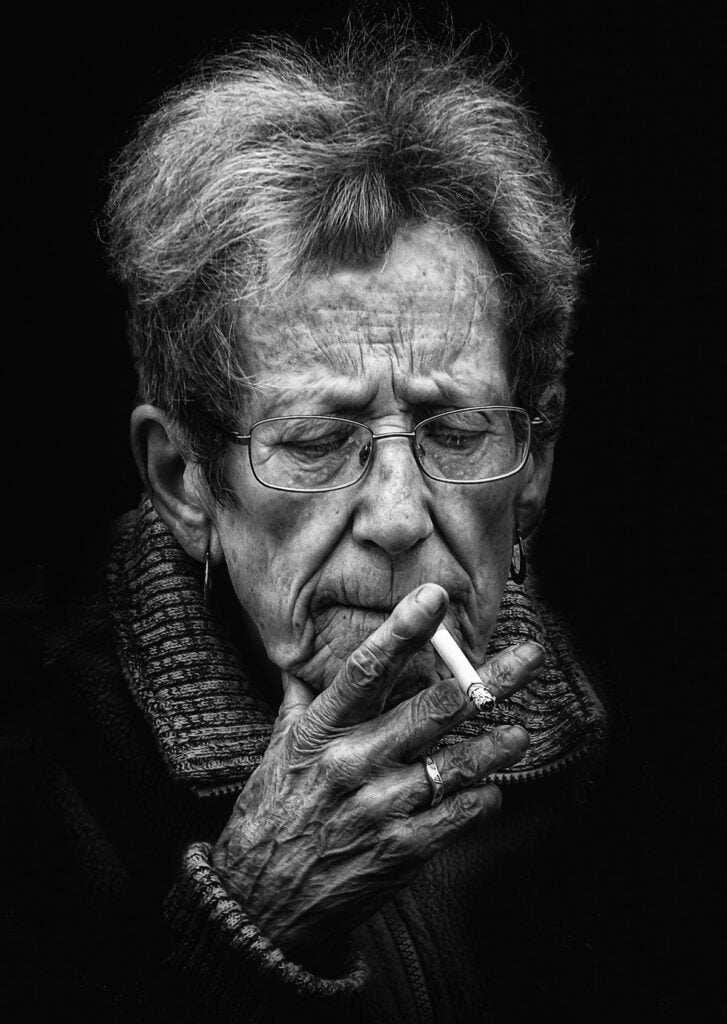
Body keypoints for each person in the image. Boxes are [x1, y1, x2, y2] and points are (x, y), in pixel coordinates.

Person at [16, 22, 610, 1023]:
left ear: (536, 467)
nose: (395, 514)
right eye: (315, 439)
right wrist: (244, 923)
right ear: (185, 480)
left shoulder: (605, 762)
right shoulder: (52, 766)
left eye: (455, 428)